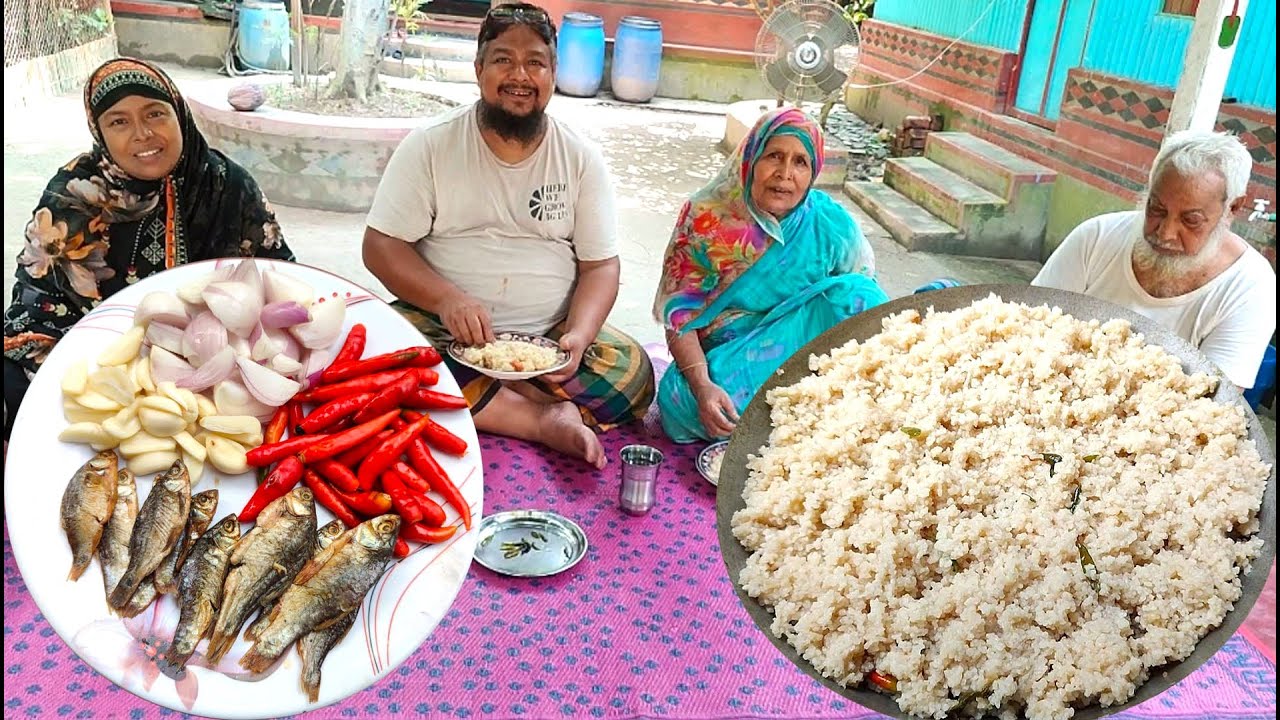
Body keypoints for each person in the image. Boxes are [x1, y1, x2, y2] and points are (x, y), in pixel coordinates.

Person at [362, 3, 654, 470]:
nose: (520, 75)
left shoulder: (580, 158)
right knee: (385, 351)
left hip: (546, 341)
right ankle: (540, 418)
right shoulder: (431, 145)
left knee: (634, 378)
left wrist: (578, 335)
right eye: (503, 60)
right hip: (446, 330)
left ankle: (492, 395)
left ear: (554, 72)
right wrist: (447, 301)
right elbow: (381, 247)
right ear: (478, 69)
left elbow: (600, 266)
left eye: (535, 62)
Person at [3, 57, 293, 445]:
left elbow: (281, 283)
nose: (142, 134)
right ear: (100, 131)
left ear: (179, 114)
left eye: (155, 113)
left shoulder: (227, 187)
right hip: (103, 364)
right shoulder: (74, 194)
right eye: (118, 121)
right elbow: (36, 302)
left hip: (221, 370)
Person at [652, 107, 889, 444]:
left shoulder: (830, 224)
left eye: (800, 162)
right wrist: (703, 387)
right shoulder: (706, 219)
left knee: (860, 297)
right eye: (774, 156)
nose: (785, 173)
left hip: (805, 354)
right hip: (729, 359)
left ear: (813, 172)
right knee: (682, 403)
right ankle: (811, 418)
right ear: (750, 159)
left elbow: (863, 300)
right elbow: (678, 321)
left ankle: (812, 412)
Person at [1034, 130, 1276, 390]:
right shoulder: (1096, 238)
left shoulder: (1251, 288)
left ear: (1233, 208)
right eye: (1157, 209)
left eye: (1190, 220)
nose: (1165, 233)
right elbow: (1030, 322)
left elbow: (1217, 403)